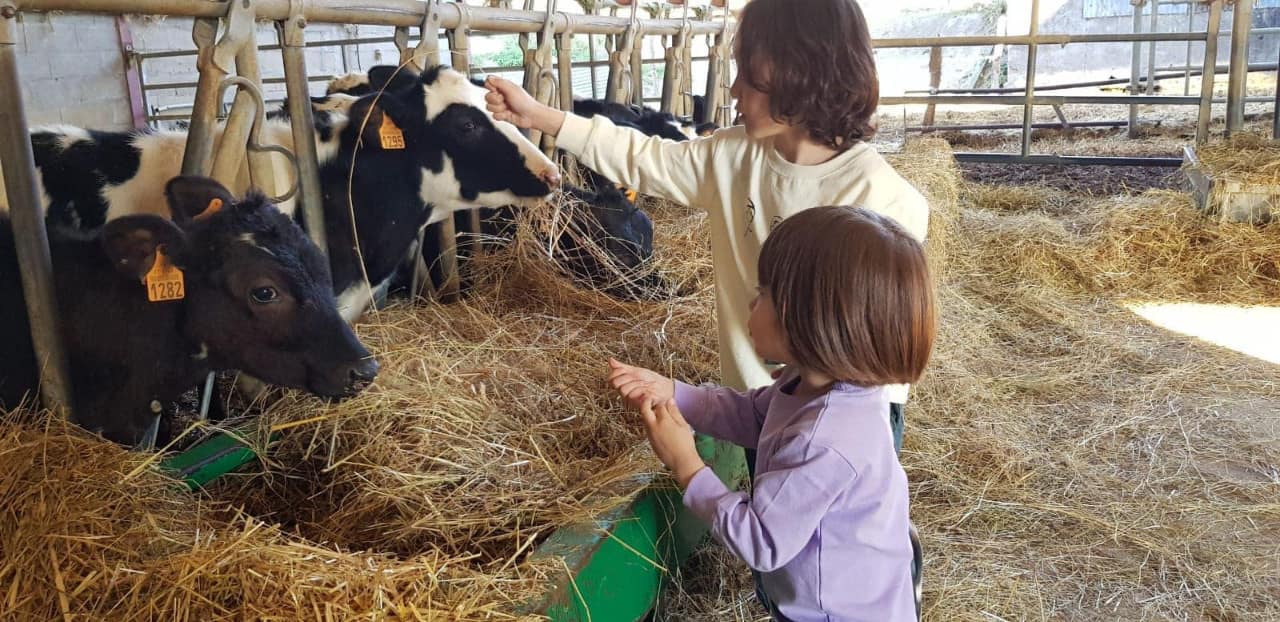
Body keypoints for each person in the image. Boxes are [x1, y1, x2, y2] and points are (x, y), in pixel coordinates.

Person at [484, 0, 929, 455]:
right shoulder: (731, 157)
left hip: (844, 420)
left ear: (799, 71)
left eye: (747, 73)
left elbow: (879, 338)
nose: (733, 89)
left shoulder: (878, 198)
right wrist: (539, 116)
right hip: (760, 406)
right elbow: (643, 157)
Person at [608, 206, 936, 621]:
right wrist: (676, 393)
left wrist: (685, 463)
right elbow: (754, 415)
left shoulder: (825, 438)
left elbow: (760, 542)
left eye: (764, 293)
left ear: (809, 320)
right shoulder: (814, 383)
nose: (751, 300)